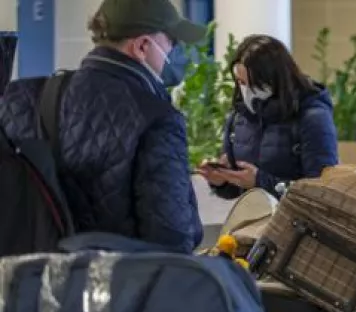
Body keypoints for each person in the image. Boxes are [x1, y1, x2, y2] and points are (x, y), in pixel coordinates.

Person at [0, 0, 205, 253]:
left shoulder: (19, 98)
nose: (176, 51)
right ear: (142, 46)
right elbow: (171, 240)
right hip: (113, 287)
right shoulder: (157, 117)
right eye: (172, 42)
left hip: (25, 283)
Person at [199, 35, 338, 199]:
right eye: (241, 83)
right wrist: (222, 181)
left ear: (275, 79)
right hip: (254, 219)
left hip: (296, 222)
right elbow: (239, 190)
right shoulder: (239, 117)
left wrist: (260, 181)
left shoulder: (312, 117)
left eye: (255, 84)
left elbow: (322, 192)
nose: (247, 92)